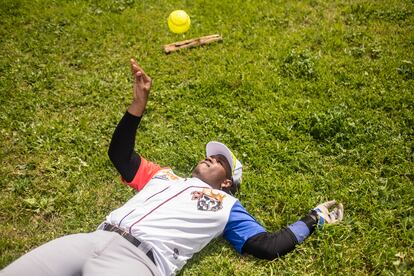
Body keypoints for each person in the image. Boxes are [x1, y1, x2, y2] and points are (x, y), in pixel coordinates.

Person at [1, 58, 344, 276]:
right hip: (90, 239)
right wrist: (137, 106)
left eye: (221, 162)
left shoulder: (227, 207)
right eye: (212, 154)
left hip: (137, 264)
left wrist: (313, 219)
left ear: (227, 183)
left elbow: (266, 246)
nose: (212, 158)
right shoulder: (162, 176)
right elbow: (120, 156)